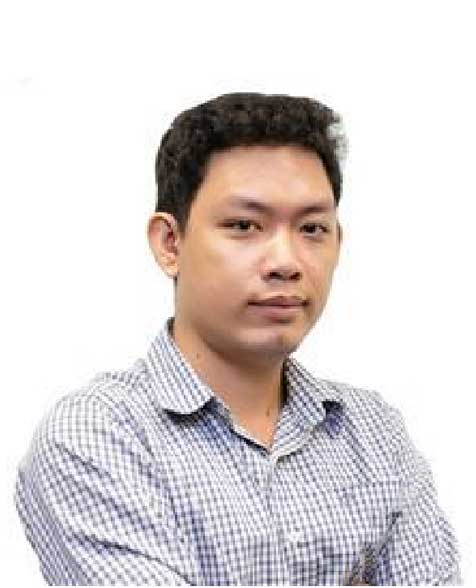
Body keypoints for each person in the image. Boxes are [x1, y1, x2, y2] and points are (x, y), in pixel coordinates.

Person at [14, 92, 461, 585]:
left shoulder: (374, 433)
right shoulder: (97, 435)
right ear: (170, 243)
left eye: (312, 228)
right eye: (245, 225)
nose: (286, 262)